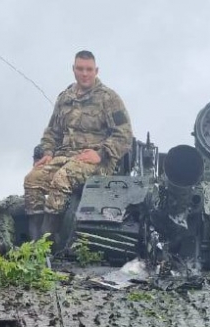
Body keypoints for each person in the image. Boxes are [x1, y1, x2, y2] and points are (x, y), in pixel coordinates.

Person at [24, 50, 133, 242]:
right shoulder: (64, 98)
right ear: (73, 70)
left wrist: (101, 154)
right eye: (80, 69)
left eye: (89, 69)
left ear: (96, 70)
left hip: (97, 163)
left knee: (61, 179)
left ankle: (47, 243)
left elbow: (124, 135)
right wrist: (48, 152)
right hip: (63, 157)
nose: (85, 74)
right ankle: (33, 242)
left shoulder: (109, 99)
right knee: (33, 178)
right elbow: (53, 132)